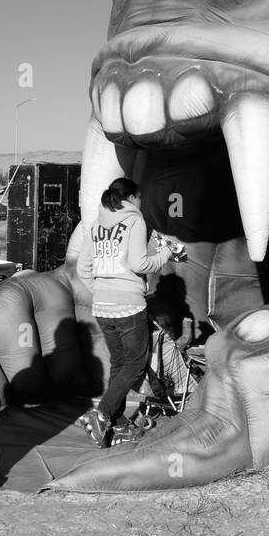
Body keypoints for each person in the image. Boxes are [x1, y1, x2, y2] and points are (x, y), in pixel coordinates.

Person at [75, 176, 181, 447]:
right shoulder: (134, 221)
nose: (141, 202)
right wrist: (166, 256)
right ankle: (102, 414)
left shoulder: (96, 225)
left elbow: (82, 268)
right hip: (128, 306)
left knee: (119, 363)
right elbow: (139, 262)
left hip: (102, 307)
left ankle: (118, 423)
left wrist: (100, 290)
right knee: (135, 363)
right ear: (132, 198)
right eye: (140, 198)